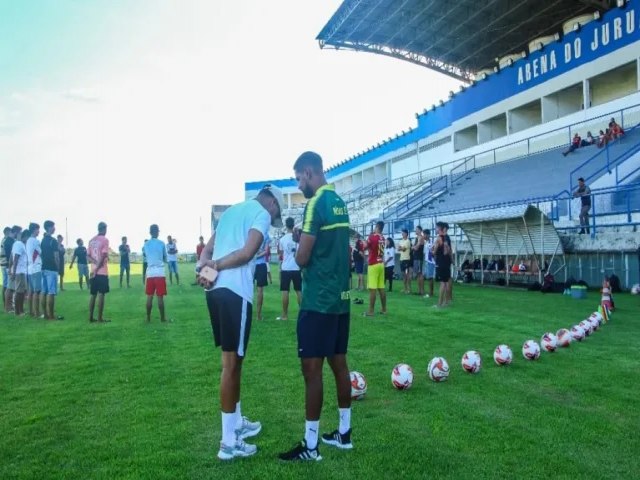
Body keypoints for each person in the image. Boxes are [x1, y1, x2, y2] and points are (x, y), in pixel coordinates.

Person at [196, 183, 284, 460]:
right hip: (236, 292)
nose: (273, 217)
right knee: (231, 366)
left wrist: (206, 268)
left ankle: (236, 422)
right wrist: (215, 267)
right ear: (272, 203)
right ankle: (228, 442)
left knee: (234, 362)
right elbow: (247, 253)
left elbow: (205, 253)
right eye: (276, 212)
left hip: (217, 292)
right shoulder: (262, 215)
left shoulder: (232, 212)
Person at [278, 151, 352, 462]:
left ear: (309, 172)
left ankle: (310, 446)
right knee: (339, 365)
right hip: (341, 299)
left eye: (298, 178)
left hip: (318, 299)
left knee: (312, 372)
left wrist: (298, 246)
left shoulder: (315, 204)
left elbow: (303, 258)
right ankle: (344, 434)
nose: (299, 184)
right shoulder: (340, 203)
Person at [277, 217, 302, 320]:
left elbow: (280, 253)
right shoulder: (298, 238)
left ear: (286, 225)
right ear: (294, 224)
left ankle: (285, 315)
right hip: (296, 267)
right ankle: (302, 314)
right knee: (299, 291)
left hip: (286, 267)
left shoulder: (282, 239)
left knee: (285, 291)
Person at [143, 224, 169, 322]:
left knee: (149, 296)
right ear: (157, 231)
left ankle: (148, 317)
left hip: (150, 272)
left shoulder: (146, 244)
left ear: (150, 232)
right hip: (160, 272)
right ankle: (162, 318)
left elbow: (146, 256)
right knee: (160, 296)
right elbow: (164, 257)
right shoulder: (162, 243)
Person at [88, 222, 110, 323]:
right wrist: (98, 266)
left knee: (93, 294)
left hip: (92, 272)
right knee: (101, 294)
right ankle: (100, 318)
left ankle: (90, 317)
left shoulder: (91, 240)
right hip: (101, 272)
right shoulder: (105, 240)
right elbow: (104, 255)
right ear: (104, 229)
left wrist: (94, 264)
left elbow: (88, 256)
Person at [363, 220, 387, 317]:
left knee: (372, 289)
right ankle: (384, 309)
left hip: (373, 264)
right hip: (381, 263)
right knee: (381, 288)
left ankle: (371, 311)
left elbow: (364, 247)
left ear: (377, 227)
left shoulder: (372, 237)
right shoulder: (383, 238)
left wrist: (366, 241)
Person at [41, 220, 63, 320]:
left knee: (44, 292)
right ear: (49, 227)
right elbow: (56, 256)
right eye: (53, 226)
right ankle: (51, 316)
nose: (54, 228)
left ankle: (45, 314)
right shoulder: (53, 241)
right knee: (51, 292)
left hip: (43, 268)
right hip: (51, 269)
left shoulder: (43, 240)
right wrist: (58, 268)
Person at [433, 221, 453, 308]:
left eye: (436, 227)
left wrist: (433, 250)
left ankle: (439, 304)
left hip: (441, 262)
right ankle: (446, 301)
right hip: (446, 262)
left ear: (441, 228)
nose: (435, 229)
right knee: (447, 281)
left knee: (443, 283)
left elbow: (435, 252)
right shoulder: (447, 238)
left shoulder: (439, 238)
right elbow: (449, 250)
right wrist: (452, 259)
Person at [9, 229, 29, 316]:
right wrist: (13, 272)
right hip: (19, 271)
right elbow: (15, 258)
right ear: (26, 236)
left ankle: (21, 310)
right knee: (19, 292)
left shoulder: (18, 244)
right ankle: (18, 312)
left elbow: (11, 257)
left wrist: (11, 269)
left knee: (22, 292)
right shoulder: (19, 244)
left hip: (21, 271)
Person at [26, 223, 42, 318]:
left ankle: (31, 311)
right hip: (36, 268)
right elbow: (40, 252)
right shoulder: (35, 241)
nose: (38, 231)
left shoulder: (28, 241)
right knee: (37, 291)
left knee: (31, 291)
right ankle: (37, 312)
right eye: (37, 229)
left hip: (30, 268)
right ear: (34, 230)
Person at [253, 233, 270, 321]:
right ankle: (258, 315)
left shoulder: (252, 233)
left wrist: (254, 256)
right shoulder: (266, 236)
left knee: (247, 289)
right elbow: (265, 251)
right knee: (260, 291)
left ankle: (246, 312)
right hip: (261, 265)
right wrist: (258, 254)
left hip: (251, 265)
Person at [3, 226, 19, 312]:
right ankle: (7, 308)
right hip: (11, 267)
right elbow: (11, 256)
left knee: (11, 288)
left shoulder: (10, 241)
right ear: (15, 232)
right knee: (9, 288)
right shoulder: (9, 242)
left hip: (10, 266)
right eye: (18, 232)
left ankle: (9, 307)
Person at [1, 227, 12, 310]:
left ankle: (6, 304)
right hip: (5, 264)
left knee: (6, 284)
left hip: (3, 264)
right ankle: (7, 305)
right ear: (6, 232)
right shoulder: (6, 241)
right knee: (7, 285)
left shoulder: (3, 240)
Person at [397, 229, 412, 293]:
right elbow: (398, 248)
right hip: (401, 259)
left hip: (406, 260)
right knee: (403, 275)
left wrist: (401, 248)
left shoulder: (408, 241)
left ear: (406, 233)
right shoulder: (401, 241)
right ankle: (405, 288)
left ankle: (409, 289)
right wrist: (401, 248)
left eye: (403, 233)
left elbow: (403, 249)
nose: (402, 234)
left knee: (407, 274)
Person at [412, 225, 425, 296]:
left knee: (420, 274)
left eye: (417, 229)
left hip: (419, 258)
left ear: (420, 230)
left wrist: (413, 247)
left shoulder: (421, 237)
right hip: (416, 257)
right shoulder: (417, 238)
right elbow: (415, 247)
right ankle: (419, 290)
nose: (415, 231)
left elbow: (416, 248)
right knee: (418, 274)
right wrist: (414, 247)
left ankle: (422, 291)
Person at [423, 229, 436, 298]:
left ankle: (431, 293)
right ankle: (431, 292)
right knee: (428, 277)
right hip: (427, 261)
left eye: (424, 234)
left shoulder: (431, 242)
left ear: (428, 235)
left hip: (430, 262)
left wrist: (431, 260)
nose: (423, 236)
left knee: (430, 278)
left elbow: (432, 252)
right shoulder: (426, 242)